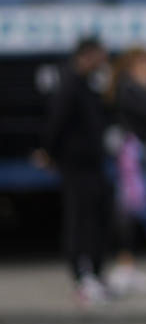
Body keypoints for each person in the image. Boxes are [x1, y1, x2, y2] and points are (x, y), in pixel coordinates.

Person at [43, 36, 112, 305]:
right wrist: (49, 153)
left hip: (92, 164)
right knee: (79, 219)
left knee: (96, 217)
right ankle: (81, 278)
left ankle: (94, 274)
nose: (104, 61)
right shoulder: (70, 85)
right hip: (76, 165)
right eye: (100, 55)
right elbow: (56, 123)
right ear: (87, 55)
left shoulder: (87, 84)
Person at [105, 46, 146, 295]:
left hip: (137, 154)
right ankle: (125, 264)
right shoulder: (129, 88)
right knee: (133, 208)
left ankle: (128, 263)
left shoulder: (128, 87)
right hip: (132, 156)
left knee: (141, 208)